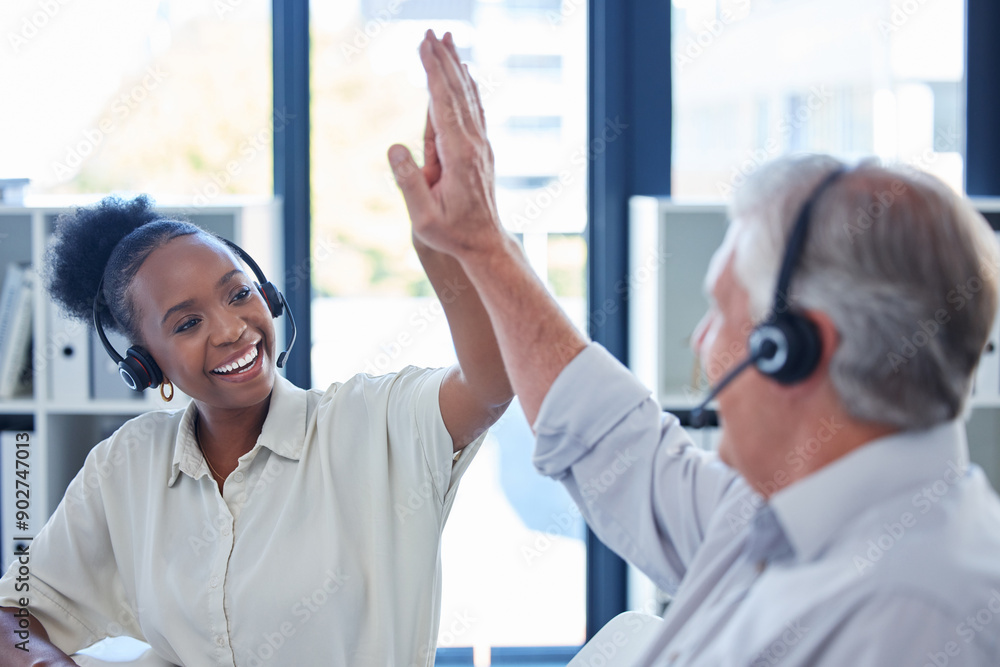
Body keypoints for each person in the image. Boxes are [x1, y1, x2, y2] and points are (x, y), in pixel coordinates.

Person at [389, 30, 1000, 665]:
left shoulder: (917, 617)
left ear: (790, 350)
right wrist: (482, 243)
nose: (702, 344)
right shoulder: (784, 514)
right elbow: (617, 445)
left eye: (720, 311)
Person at [0, 186, 512, 661]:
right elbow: (15, 614)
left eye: (238, 294)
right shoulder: (126, 464)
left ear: (268, 297)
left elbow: (493, 381)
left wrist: (463, 248)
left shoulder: (370, 422)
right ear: (146, 364)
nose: (230, 330)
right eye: (187, 323)